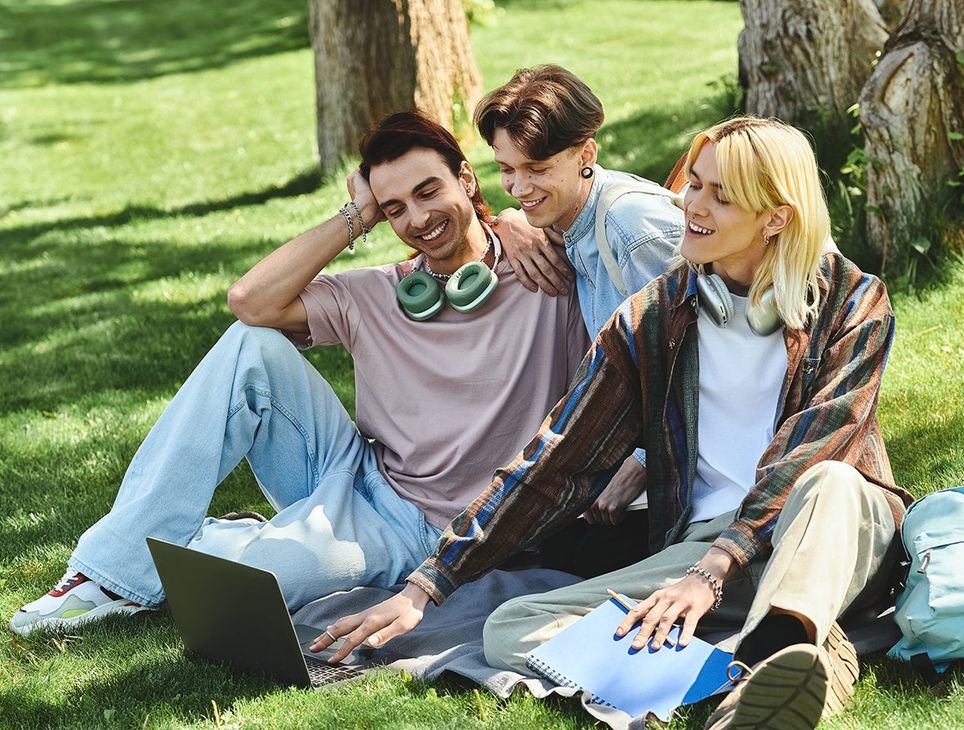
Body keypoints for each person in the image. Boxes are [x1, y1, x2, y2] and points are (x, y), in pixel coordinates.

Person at [315, 117, 913, 730]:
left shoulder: (853, 301)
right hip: (705, 546)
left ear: (776, 217)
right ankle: (774, 664)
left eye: (719, 196)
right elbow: (556, 460)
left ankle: (782, 641)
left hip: (830, 533)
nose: (690, 206)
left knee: (830, 483)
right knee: (511, 627)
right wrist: (428, 585)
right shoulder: (653, 318)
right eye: (694, 185)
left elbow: (815, 445)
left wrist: (713, 573)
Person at [10, 111, 588, 636]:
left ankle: (222, 535)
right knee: (251, 345)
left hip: (430, 526)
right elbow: (250, 302)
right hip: (360, 477)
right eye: (394, 209)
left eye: (428, 190)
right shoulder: (381, 294)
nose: (418, 219)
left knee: (241, 588)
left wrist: (513, 219)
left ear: (467, 178)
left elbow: (611, 214)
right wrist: (355, 216)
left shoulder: (547, 266)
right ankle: (109, 575)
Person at [480, 64, 687, 576]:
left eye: (537, 168)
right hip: (638, 448)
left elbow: (700, 355)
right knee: (543, 554)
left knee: (575, 563)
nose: (519, 187)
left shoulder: (630, 227)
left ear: (586, 155)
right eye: (507, 169)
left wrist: (639, 464)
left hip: (695, 464)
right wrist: (506, 222)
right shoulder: (567, 219)